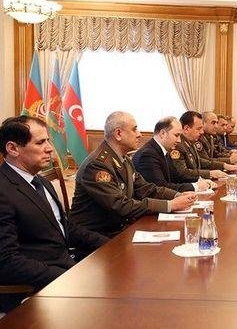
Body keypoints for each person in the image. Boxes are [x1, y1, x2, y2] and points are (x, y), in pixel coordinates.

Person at [0, 116, 108, 311]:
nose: (50, 148)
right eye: (40, 142)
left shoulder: (40, 181)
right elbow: (7, 261)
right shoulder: (3, 190)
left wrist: (111, 245)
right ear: (13, 148)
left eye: (48, 141)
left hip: (66, 268)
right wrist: (66, 277)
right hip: (33, 289)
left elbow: (65, 228)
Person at [71, 112, 196, 236]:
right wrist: (170, 205)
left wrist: (177, 195)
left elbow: (146, 189)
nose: (139, 134)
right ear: (118, 134)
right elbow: (120, 205)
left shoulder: (123, 159)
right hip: (98, 235)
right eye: (134, 129)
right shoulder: (97, 165)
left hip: (120, 227)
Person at [132, 116, 215, 192]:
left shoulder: (163, 150)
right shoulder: (148, 155)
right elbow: (160, 188)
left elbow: (177, 176)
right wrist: (195, 186)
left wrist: (200, 181)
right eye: (176, 135)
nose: (179, 140)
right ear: (162, 133)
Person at [170, 111, 227, 181]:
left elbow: (199, 161)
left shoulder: (190, 141)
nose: (202, 132)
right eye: (198, 129)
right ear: (186, 129)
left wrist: (222, 165)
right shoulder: (178, 145)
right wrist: (210, 173)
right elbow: (182, 173)